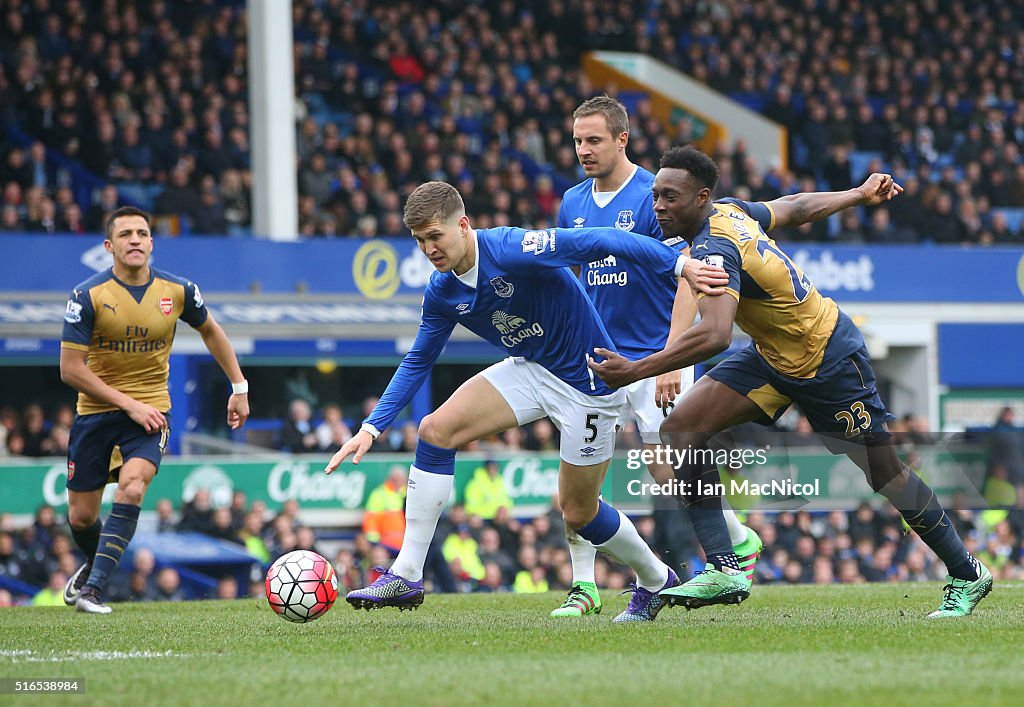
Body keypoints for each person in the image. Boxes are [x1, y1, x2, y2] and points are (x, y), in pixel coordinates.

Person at [590, 146, 993, 619]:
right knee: (682, 428)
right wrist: (858, 194)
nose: (657, 206)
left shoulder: (714, 246)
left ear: (700, 198)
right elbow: (794, 207)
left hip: (828, 359)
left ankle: (968, 574)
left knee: (885, 473)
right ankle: (725, 566)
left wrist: (639, 368)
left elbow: (717, 334)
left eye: (669, 197)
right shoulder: (731, 211)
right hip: (773, 358)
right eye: (655, 195)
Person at [326, 180, 728, 621]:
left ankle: (656, 579)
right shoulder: (442, 291)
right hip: (533, 369)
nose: (429, 250)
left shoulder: (514, 248)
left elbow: (600, 239)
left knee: (579, 512)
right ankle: (407, 574)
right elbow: (419, 358)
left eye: (435, 237)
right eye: (420, 241)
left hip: (588, 385)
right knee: (434, 431)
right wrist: (371, 427)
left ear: (462, 226)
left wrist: (679, 265)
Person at [551, 95, 761, 619]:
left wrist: (672, 359)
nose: (584, 150)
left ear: (622, 139)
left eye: (594, 139)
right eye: (578, 141)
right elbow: (574, 281)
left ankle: (737, 538)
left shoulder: (657, 194)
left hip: (654, 357)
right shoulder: (572, 203)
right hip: (597, 360)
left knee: (672, 474)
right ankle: (583, 587)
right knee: (578, 477)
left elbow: (687, 276)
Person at [59, 206, 250, 614]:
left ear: (152, 242)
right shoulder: (87, 295)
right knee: (80, 518)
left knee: (132, 486)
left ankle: (92, 592)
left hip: (151, 412)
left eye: (142, 233)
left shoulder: (178, 291)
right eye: (125, 234)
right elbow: (70, 369)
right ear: (110, 246)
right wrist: (127, 403)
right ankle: (93, 567)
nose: (134, 240)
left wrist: (239, 387)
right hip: (96, 413)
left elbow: (212, 331)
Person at [362, 465, 408, 552]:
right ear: (390, 478)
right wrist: (374, 543)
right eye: (395, 479)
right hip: (386, 546)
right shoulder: (379, 494)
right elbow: (370, 520)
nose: (398, 482)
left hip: (407, 545)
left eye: (400, 479)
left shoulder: (409, 493)